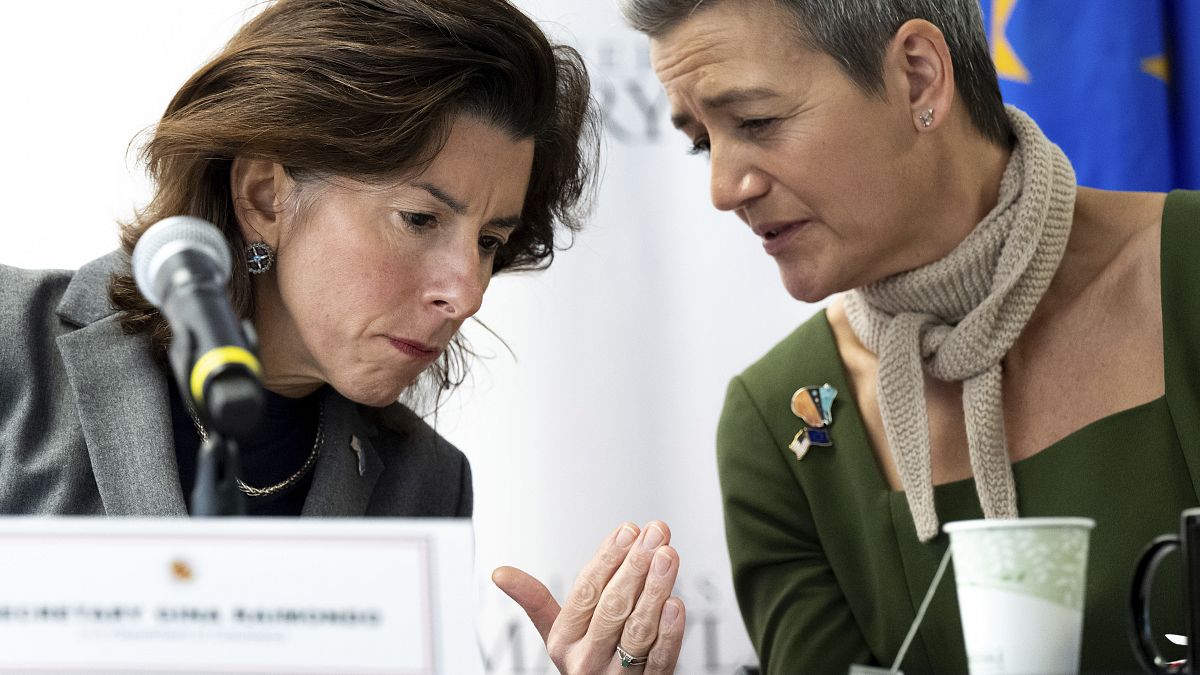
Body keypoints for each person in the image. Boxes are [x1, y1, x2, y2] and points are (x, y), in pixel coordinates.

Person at [0, 0, 683, 671]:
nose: (467, 291)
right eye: (419, 219)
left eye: (489, 240)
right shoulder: (12, 347)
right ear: (265, 196)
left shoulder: (427, 485)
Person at [620, 0, 1200, 672]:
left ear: (919, 77)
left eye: (757, 121)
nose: (723, 187)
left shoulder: (1187, 270)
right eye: (702, 141)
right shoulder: (778, 419)